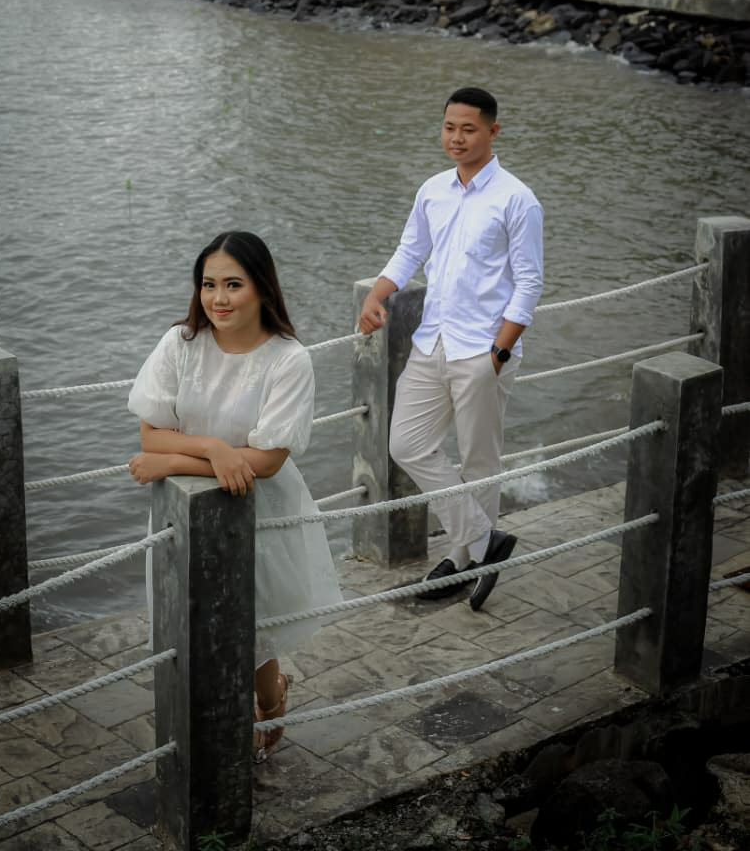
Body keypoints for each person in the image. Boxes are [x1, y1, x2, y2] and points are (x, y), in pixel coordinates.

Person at [127, 230, 341, 762]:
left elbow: (266, 462)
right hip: (183, 510)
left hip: (258, 505)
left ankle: (271, 698)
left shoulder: (289, 360)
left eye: (233, 285)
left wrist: (175, 461)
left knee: (254, 621)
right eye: (208, 284)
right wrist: (214, 450)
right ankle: (222, 725)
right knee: (196, 619)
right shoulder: (180, 344)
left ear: (262, 288)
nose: (218, 299)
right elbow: (151, 435)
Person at [358, 87, 543, 611]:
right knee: (406, 443)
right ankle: (485, 542)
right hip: (432, 340)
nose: (456, 138)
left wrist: (498, 354)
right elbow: (410, 250)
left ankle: (464, 562)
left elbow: (529, 283)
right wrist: (376, 295)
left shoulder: (517, 199)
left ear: (492, 132)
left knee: (480, 459)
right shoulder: (433, 190)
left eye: (468, 129)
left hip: (483, 351)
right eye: (449, 128)